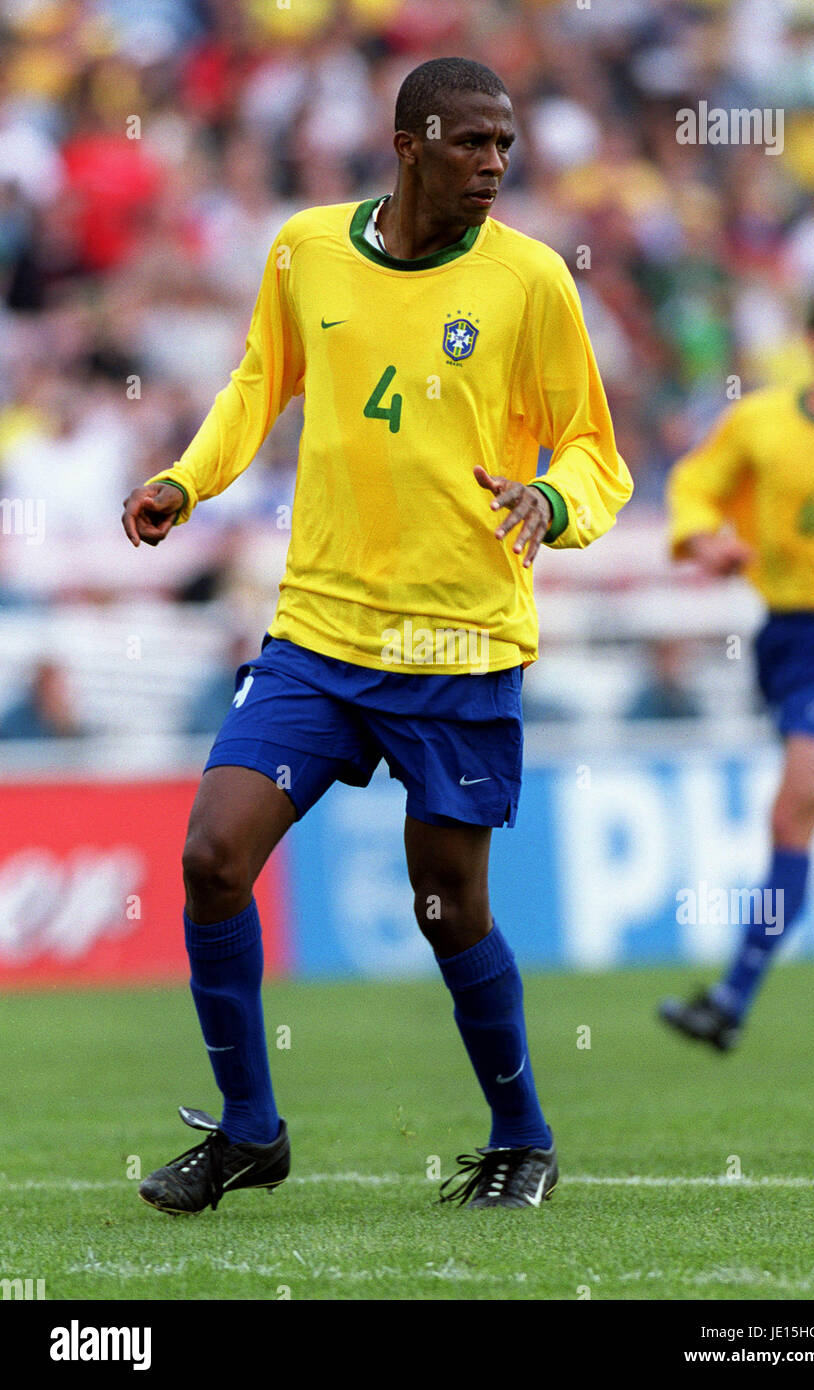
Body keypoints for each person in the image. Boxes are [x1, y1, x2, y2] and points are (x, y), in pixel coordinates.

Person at [122, 57, 632, 1212]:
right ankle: (251, 1129)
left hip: (458, 642)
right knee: (210, 856)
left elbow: (595, 451)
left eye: (505, 144)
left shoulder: (531, 281)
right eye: (471, 142)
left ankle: (523, 1137)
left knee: (445, 900)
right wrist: (184, 480)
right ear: (409, 143)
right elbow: (258, 384)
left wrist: (553, 504)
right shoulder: (305, 248)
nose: (494, 164)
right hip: (319, 626)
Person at [659, 285, 814, 1052]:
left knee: (790, 816)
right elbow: (692, 485)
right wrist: (699, 540)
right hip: (793, 642)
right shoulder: (761, 424)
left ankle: (728, 999)